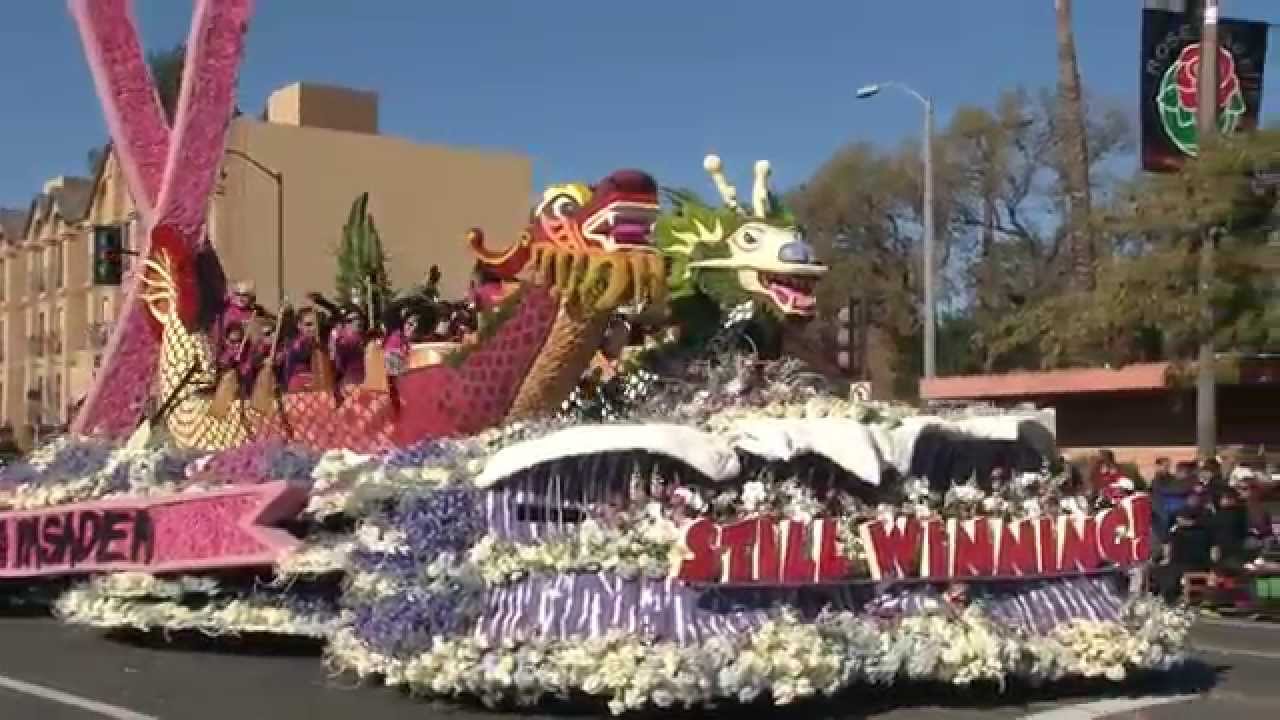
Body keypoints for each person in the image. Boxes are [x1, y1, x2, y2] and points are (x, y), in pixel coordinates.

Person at [1155, 493, 1214, 603]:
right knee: (1165, 570)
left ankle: (1174, 598)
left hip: (1192, 562)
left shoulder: (1198, 528)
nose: (1179, 520)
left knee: (1169, 572)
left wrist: (1165, 558)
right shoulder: (1179, 529)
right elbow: (1168, 544)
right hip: (1185, 561)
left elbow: (1170, 549)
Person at [330, 306, 367, 386]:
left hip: (365, 381)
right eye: (350, 320)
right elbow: (339, 365)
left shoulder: (364, 338)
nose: (357, 322)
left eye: (358, 318)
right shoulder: (344, 341)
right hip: (351, 382)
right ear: (345, 324)